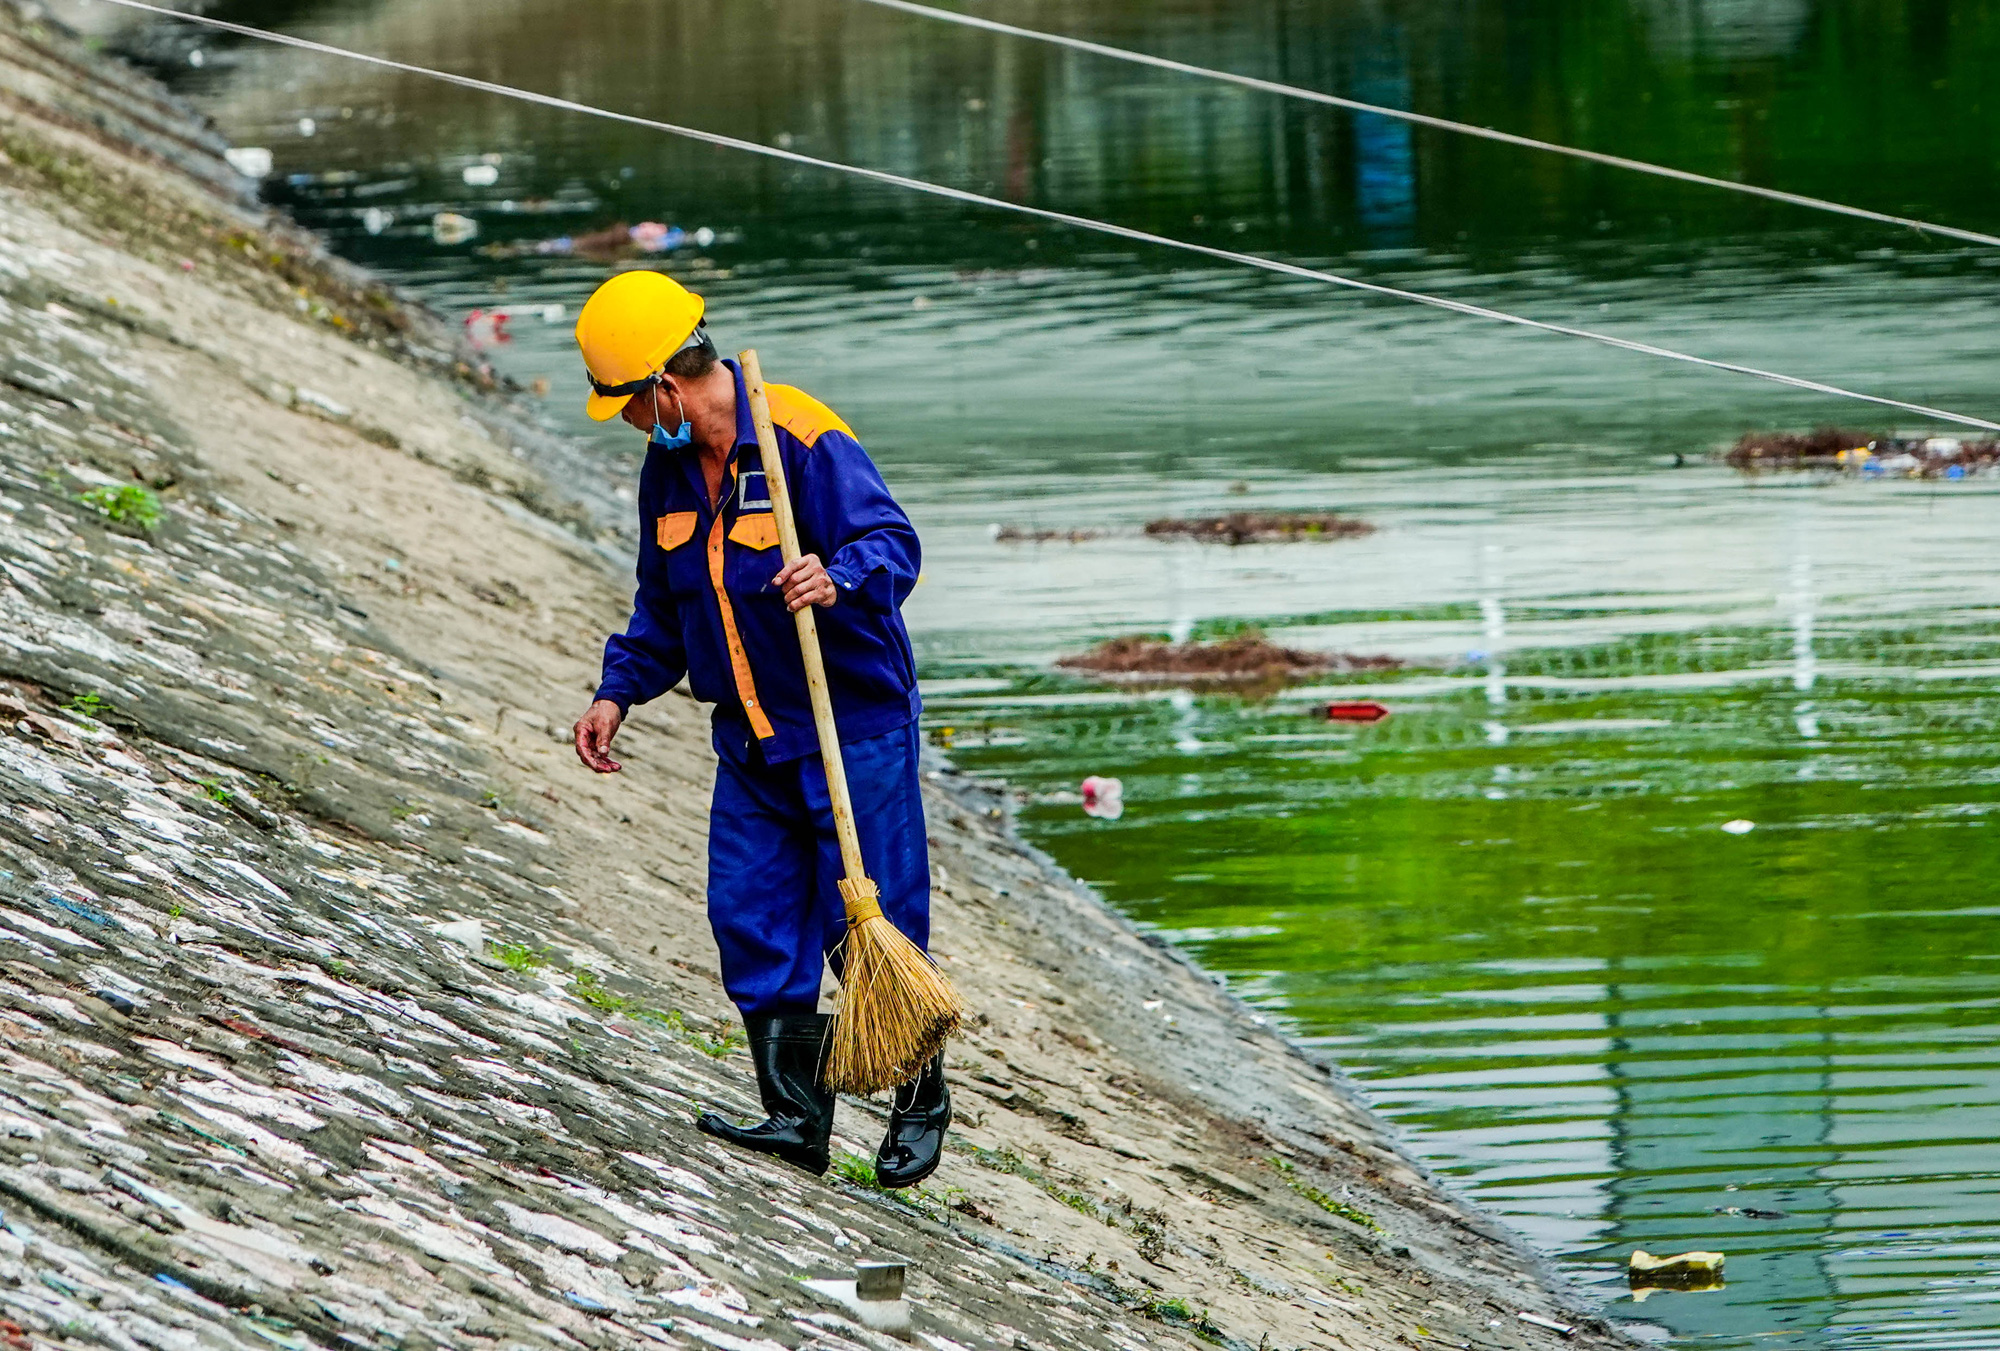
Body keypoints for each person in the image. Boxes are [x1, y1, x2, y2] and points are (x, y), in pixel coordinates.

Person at [568, 270, 949, 1187]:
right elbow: (662, 609)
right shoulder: (666, 473)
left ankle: (917, 1097)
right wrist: (617, 691)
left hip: (848, 721)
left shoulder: (803, 440)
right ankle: (796, 1114)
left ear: (664, 384)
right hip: (749, 735)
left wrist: (836, 574)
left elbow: (895, 544)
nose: (626, 420)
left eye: (625, 402)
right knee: (749, 909)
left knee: (871, 918)